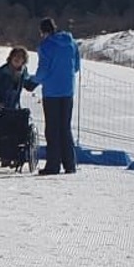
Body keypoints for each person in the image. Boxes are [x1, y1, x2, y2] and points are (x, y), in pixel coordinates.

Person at [31, 17, 81, 175]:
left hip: (51, 92)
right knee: (65, 127)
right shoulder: (72, 43)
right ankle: (70, 164)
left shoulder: (46, 46)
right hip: (68, 91)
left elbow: (43, 70)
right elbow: (76, 66)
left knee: (52, 128)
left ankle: (53, 165)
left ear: (43, 32)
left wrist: (33, 81)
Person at [0, 47, 36, 168]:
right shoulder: (1, 72)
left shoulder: (23, 72)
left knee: (12, 132)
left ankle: (8, 159)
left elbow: (29, 86)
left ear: (24, 61)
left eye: (21, 57)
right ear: (11, 58)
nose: (17, 59)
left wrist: (40, 78)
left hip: (13, 107)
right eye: (15, 56)